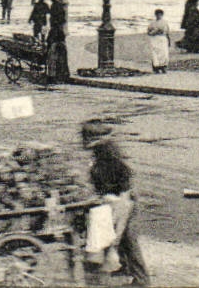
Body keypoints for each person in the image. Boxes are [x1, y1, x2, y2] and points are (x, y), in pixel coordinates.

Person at [82, 120, 149, 285]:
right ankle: (125, 268)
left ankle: (142, 281)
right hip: (115, 200)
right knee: (122, 239)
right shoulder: (101, 154)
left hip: (123, 201)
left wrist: (114, 202)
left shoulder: (109, 157)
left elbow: (123, 191)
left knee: (128, 240)